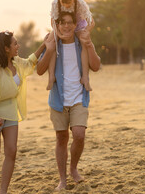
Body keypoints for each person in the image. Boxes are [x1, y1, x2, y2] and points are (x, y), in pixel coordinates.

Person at [37, 11, 100, 190]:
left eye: (69, 22)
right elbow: (40, 70)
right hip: (58, 99)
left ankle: (73, 168)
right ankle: (62, 179)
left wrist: (89, 45)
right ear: (56, 25)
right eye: (62, 23)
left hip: (79, 97)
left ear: (75, 24)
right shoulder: (53, 44)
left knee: (79, 135)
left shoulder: (82, 42)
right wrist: (48, 50)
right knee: (61, 138)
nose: (66, 26)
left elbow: (95, 66)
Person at [0, 31, 45, 194]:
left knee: (12, 151)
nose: (18, 46)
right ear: (6, 48)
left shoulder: (16, 62)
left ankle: (3, 191)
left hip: (11, 112)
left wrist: (44, 44)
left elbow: (31, 61)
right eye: (15, 44)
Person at [46, 0, 95, 91]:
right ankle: (51, 76)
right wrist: (59, 34)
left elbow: (91, 22)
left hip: (78, 26)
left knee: (84, 43)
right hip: (62, 27)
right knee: (51, 41)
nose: (66, 5)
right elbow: (53, 22)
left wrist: (86, 33)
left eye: (69, 3)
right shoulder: (55, 3)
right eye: (63, 2)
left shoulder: (80, 3)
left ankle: (85, 78)